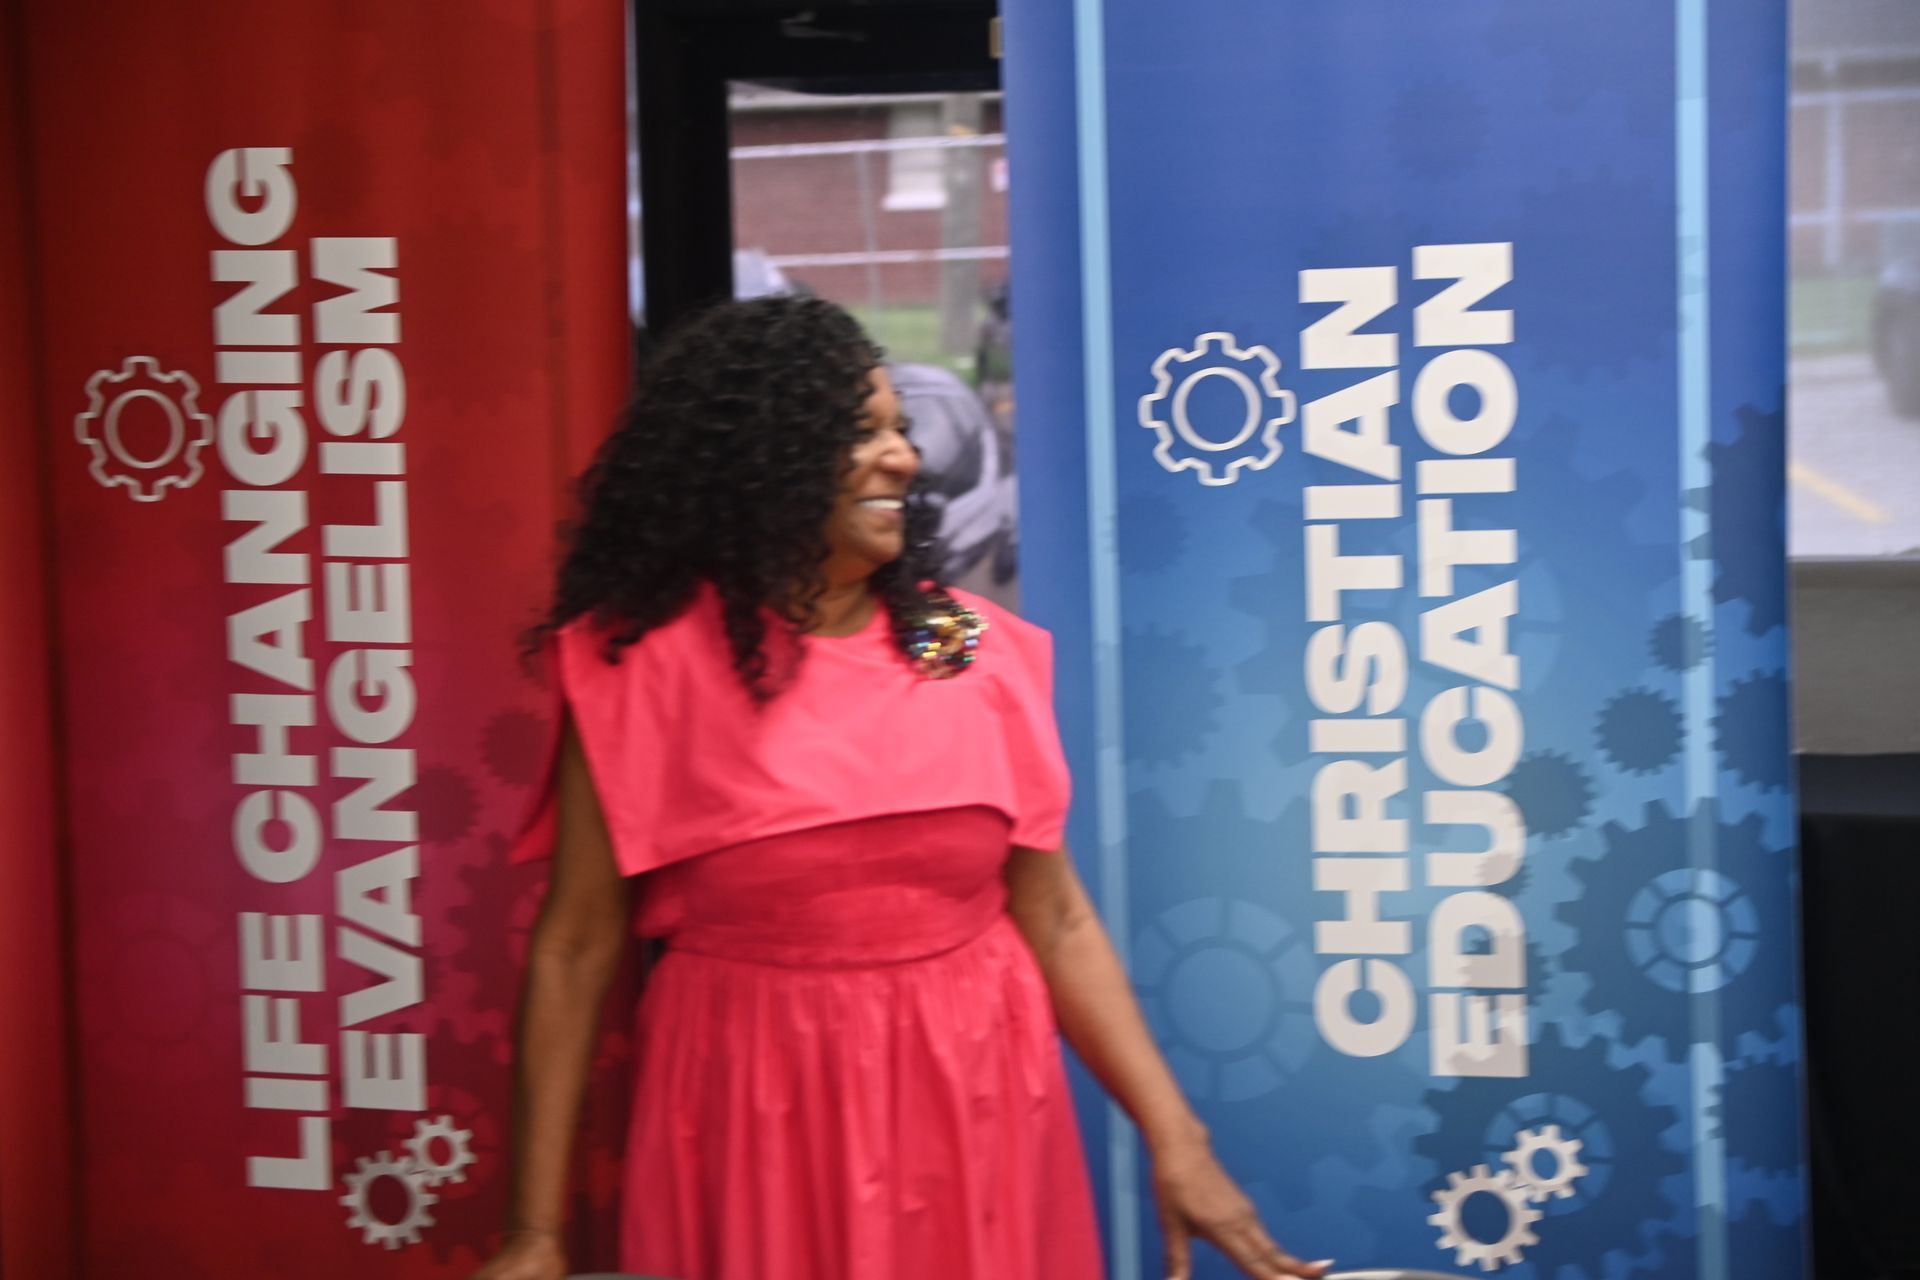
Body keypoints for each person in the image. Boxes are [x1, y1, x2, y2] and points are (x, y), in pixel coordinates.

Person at [470, 297, 1330, 1280]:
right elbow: (576, 947)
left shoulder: (960, 638)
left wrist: (1178, 1137)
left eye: (901, 430)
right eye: (862, 432)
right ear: (759, 457)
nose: (905, 459)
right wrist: (533, 1233)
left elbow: (1054, 916)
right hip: (757, 1110)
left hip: (979, 1103)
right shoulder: (642, 664)